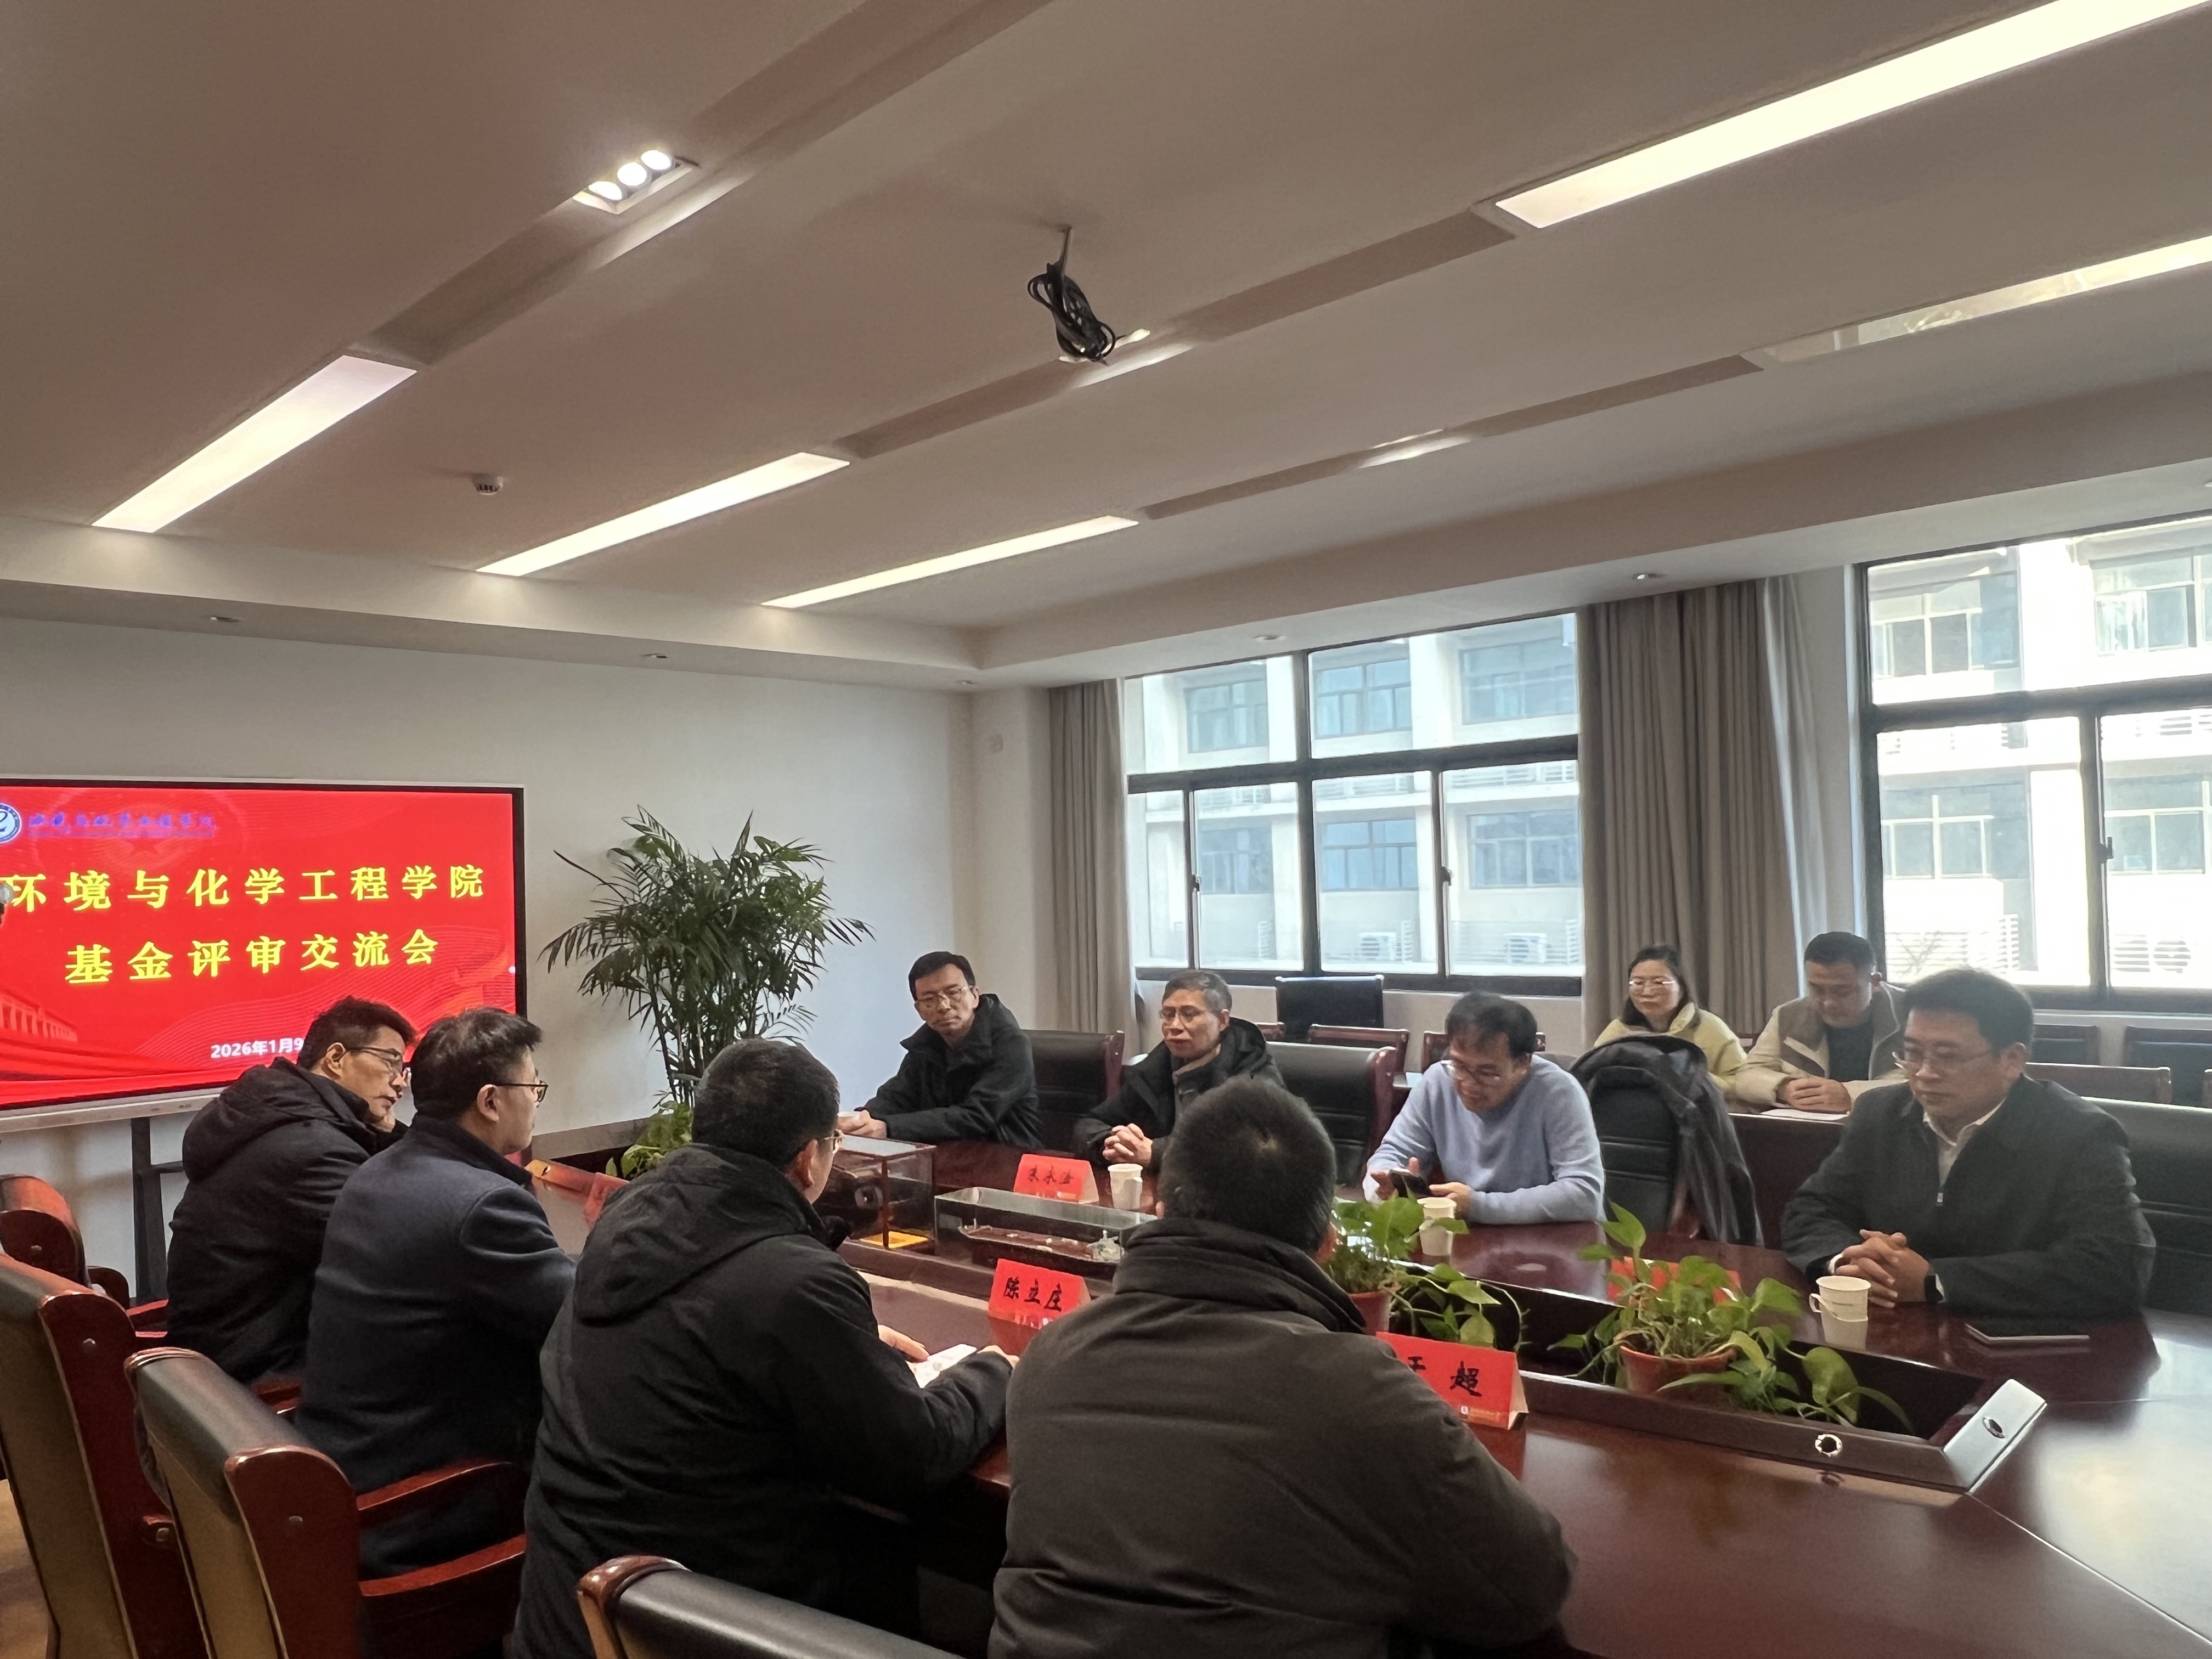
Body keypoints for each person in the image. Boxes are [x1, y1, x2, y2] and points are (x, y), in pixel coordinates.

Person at [992, 1079, 1573, 1658]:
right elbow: (1531, 1584)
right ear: (1326, 1245)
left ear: (1160, 1211)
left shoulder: (1051, 1356)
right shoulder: (1362, 1392)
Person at [515, 1039, 1011, 1659]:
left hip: (573, 1613)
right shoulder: (793, 1282)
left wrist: (832, 1340)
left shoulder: (631, 1216)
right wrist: (996, 1369)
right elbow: (913, 1456)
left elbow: (706, 1331)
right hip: (709, 1625)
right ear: (809, 1158)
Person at [297, 1008, 573, 1571]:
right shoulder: (482, 1206)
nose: (536, 1101)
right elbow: (582, 1316)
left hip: (352, 1471)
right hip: (420, 1511)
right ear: (491, 1101)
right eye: (534, 1088)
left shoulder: (379, 1171)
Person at [1781, 968, 2155, 1318]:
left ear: (2011, 1060)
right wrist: (1847, 1262)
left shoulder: (2079, 1133)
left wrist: (1936, 1281)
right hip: (1893, 1328)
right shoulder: (1880, 1113)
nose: (1924, 1073)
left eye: (1947, 1057)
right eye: (1912, 1054)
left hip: (2017, 1343)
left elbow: (2115, 1265)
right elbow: (1812, 1209)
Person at [165, 997, 416, 1382]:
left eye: (403, 1069)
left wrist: (385, 1133)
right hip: (254, 1366)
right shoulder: (312, 1149)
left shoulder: (276, 1114)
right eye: (390, 1062)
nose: (399, 1082)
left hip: (220, 1345)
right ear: (336, 1058)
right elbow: (395, 1253)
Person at [1365, 991, 1604, 1223]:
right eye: (1459, 1066)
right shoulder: (1438, 1082)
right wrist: (1389, 1182)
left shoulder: (1559, 1093)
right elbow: (1392, 1152)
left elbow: (1584, 1194)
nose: (1468, 1084)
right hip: (1469, 1238)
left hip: (1550, 1240)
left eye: (1487, 1073)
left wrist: (1479, 1206)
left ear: (1522, 1063)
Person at [1075, 969, 1280, 1169]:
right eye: (1168, 1014)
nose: (1174, 1026)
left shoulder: (1253, 1073)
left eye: (1188, 1015)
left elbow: (1243, 1148)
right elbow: (1090, 1124)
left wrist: (1156, 1153)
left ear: (1222, 1020)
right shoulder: (1154, 1069)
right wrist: (1114, 1144)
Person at [839, 951, 1040, 1146]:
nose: (943, 1006)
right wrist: (862, 1119)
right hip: (944, 1154)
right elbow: (897, 1097)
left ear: (974, 996)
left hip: (1008, 1155)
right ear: (919, 1009)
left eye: (953, 993)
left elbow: (977, 1116)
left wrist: (887, 1128)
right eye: (929, 999)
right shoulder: (925, 1044)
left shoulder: (1011, 1044)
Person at [1735, 932, 1905, 1113]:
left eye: (1842, 991)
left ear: (1874, 982)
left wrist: (1851, 1095)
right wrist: (1784, 1088)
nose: (1828, 1003)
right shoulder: (1788, 1015)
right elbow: (1746, 1076)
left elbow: (1921, 1082)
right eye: (1817, 989)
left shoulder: (1911, 1013)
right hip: (1812, 1126)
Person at [1592, 944, 1746, 1093]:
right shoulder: (1618, 1030)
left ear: (1682, 987)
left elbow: (1741, 1084)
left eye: (1659, 983)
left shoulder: (1709, 1027)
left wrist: (1692, 1078)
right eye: (1638, 983)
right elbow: (1590, 1073)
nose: (1647, 991)